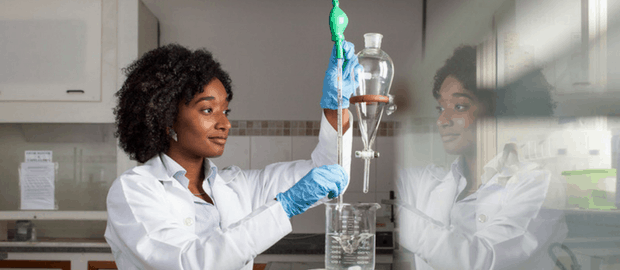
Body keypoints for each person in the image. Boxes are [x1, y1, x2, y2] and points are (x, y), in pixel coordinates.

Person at [105, 42, 361, 269]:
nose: (225, 124)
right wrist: (283, 207)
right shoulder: (133, 190)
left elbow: (332, 175)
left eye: (225, 111)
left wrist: (335, 107)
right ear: (167, 118)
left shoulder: (235, 186)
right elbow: (187, 264)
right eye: (208, 110)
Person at [395, 45, 567, 270]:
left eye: (459, 106)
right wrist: (335, 113)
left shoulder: (539, 185)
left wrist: (396, 217)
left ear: (501, 111)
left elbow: (482, 261)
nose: (442, 120)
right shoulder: (427, 182)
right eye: (440, 108)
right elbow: (355, 184)